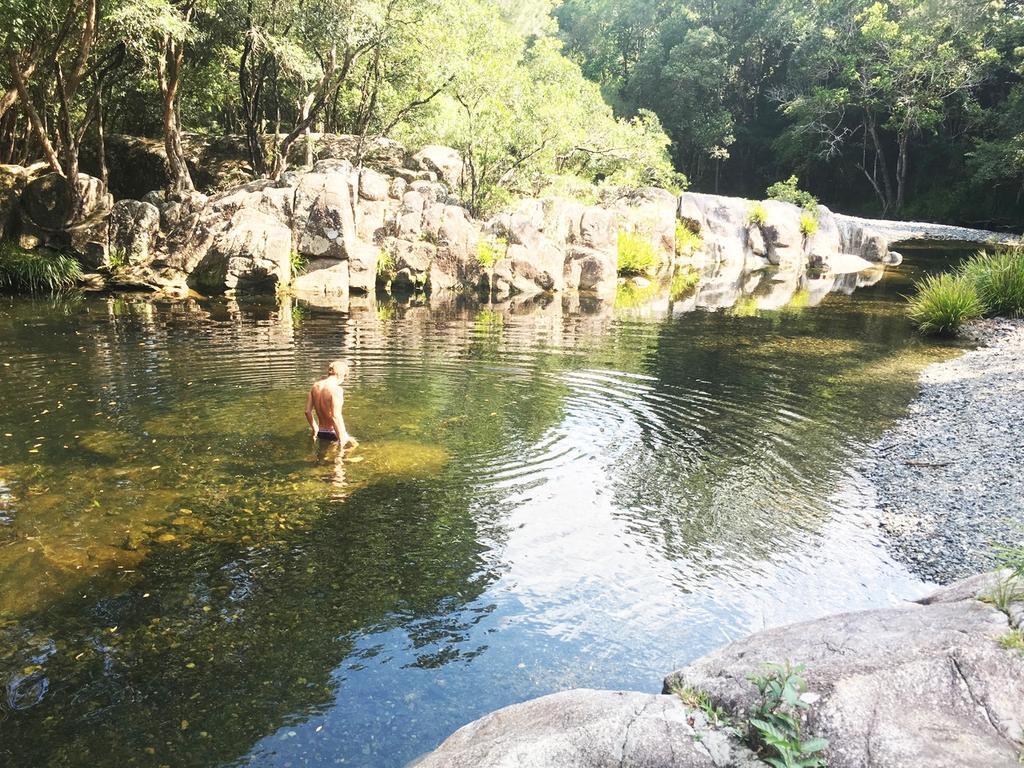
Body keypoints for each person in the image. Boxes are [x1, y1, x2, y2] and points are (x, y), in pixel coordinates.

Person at [306, 360, 358, 449]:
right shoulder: (336, 390)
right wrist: (342, 439)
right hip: (333, 433)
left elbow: (307, 412)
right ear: (342, 375)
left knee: (322, 455)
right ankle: (339, 460)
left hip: (320, 432)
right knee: (354, 446)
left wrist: (315, 429)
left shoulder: (315, 386)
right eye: (345, 377)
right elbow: (335, 416)